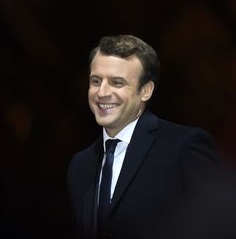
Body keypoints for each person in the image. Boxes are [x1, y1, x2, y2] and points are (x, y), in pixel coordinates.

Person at [67, 35, 218, 239]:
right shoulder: (80, 165)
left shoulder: (183, 147)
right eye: (96, 81)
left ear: (145, 91)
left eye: (117, 83)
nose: (102, 92)